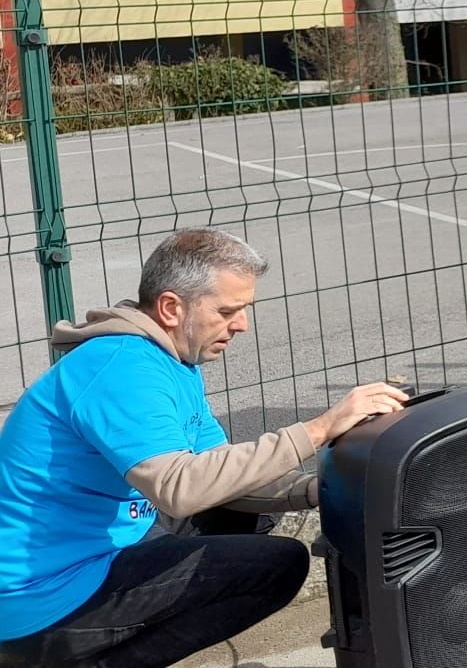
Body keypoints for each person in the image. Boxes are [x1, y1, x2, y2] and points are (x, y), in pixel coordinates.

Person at [0, 229, 408, 667]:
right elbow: (179, 489)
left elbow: (221, 475)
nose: (241, 324)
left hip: (104, 545)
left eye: (244, 310)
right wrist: (320, 428)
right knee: (277, 566)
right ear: (172, 308)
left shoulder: (172, 360)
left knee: (251, 514)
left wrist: (320, 490)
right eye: (228, 310)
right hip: (38, 595)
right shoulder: (123, 367)